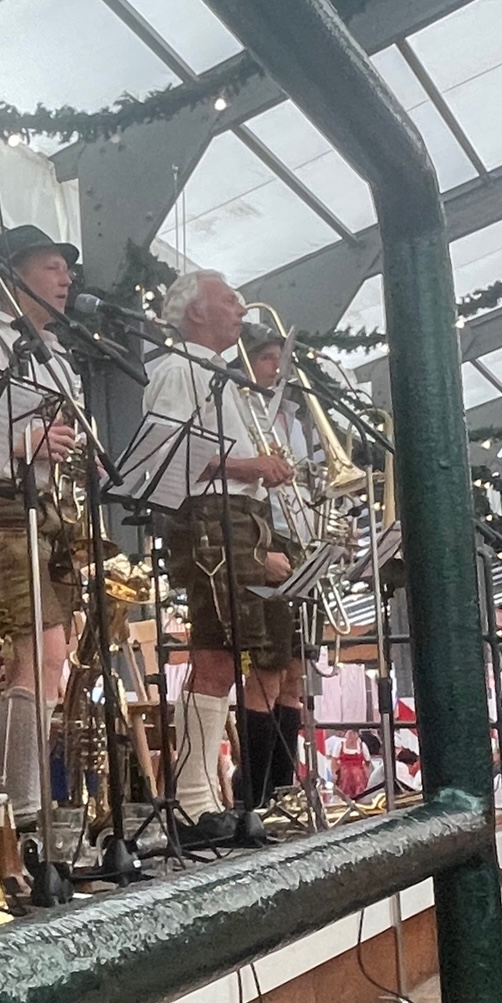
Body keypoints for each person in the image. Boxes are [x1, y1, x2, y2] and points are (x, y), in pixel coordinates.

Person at [143, 269, 294, 848]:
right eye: (228, 299)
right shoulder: (179, 369)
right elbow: (166, 453)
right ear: (196, 313)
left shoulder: (219, 375)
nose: (241, 308)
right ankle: (192, 798)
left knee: (226, 656)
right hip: (210, 520)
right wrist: (251, 466)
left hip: (237, 518)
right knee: (216, 656)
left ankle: (203, 793)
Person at [0, 226, 84, 820]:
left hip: (49, 510)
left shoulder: (59, 357)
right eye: (53, 267)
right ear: (14, 276)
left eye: (66, 269)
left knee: (51, 658)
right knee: (40, 650)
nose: (67, 279)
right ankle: (18, 812)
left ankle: (24, 807)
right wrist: (24, 444)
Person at [241, 325, 311, 810]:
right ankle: (255, 794)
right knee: (267, 667)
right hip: (267, 532)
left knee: (293, 673)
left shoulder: (294, 419)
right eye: (267, 358)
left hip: (299, 536)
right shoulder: (243, 408)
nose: (277, 368)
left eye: (279, 359)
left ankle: (284, 789)